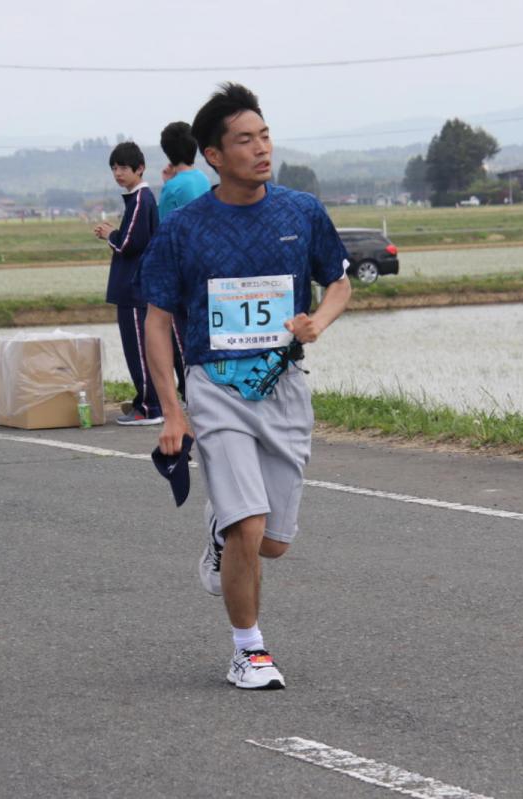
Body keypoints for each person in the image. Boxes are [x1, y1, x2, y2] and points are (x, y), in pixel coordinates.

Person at [142, 83, 352, 690]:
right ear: (213, 153)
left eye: (265, 136)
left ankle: (221, 530)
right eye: (244, 140)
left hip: (283, 387)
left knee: (272, 544)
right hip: (215, 387)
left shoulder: (300, 211)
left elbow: (338, 282)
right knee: (249, 527)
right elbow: (157, 320)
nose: (261, 149)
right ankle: (248, 651)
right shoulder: (184, 230)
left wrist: (319, 320)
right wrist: (173, 412)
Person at [94, 142, 162, 425]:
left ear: (140, 168)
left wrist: (110, 234)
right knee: (140, 349)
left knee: (140, 351)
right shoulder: (138, 199)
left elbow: (129, 244)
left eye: (123, 167)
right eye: (114, 168)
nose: (118, 173)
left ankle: (149, 407)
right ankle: (146, 402)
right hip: (137, 288)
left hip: (134, 289)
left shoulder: (140, 199)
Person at [156, 121, 214, 402]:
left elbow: (164, 230)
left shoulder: (172, 188)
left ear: (167, 152)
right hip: (209, 263)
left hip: (184, 271)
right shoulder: (202, 178)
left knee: (181, 335)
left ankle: (189, 390)